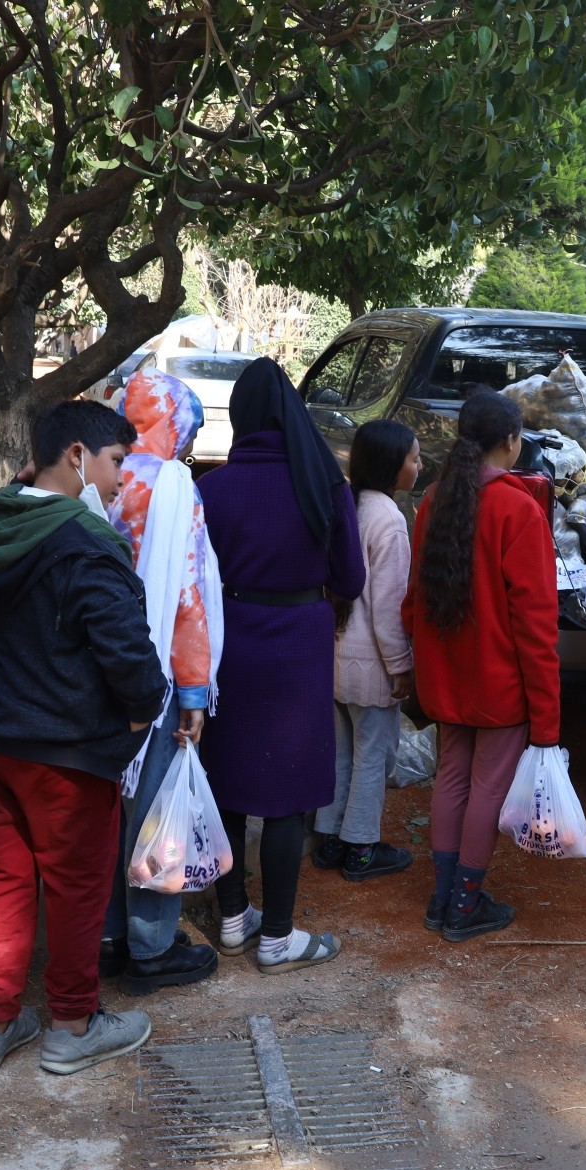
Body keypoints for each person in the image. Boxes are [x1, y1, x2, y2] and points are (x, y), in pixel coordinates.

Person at [0, 399, 165, 1075]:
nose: (123, 478)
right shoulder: (85, 541)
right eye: (117, 461)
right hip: (66, 748)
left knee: (5, 876)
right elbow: (128, 654)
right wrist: (142, 709)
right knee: (77, 884)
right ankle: (73, 1024)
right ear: (77, 455)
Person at [196, 358, 364, 973]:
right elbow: (351, 577)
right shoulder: (324, 485)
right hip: (299, 647)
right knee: (289, 794)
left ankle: (234, 917)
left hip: (229, 644)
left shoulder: (209, 488)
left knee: (229, 780)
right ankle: (279, 936)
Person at [403, 390, 560, 941]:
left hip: (446, 679)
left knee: (451, 778)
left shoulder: (433, 501)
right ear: (511, 442)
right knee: (487, 789)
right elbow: (537, 626)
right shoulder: (519, 509)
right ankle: (464, 906)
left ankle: (441, 897)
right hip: (500, 685)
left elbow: (414, 598)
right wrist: (547, 719)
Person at [100, 366, 222, 994]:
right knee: (154, 810)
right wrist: (195, 690)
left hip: (97, 669)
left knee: (107, 809)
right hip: (156, 671)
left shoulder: (98, 474)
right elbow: (186, 597)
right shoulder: (174, 487)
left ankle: (109, 937)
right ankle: (151, 947)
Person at [315, 419, 422, 881]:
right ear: (392, 466)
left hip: (333, 658)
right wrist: (401, 665)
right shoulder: (391, 521)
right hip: (371, 664)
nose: (419, 466)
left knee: (341, 752)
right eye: (414, 458)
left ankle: (329, 838)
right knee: (374, 754)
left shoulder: (345, 506)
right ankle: (362, 847)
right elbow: (388, 607)